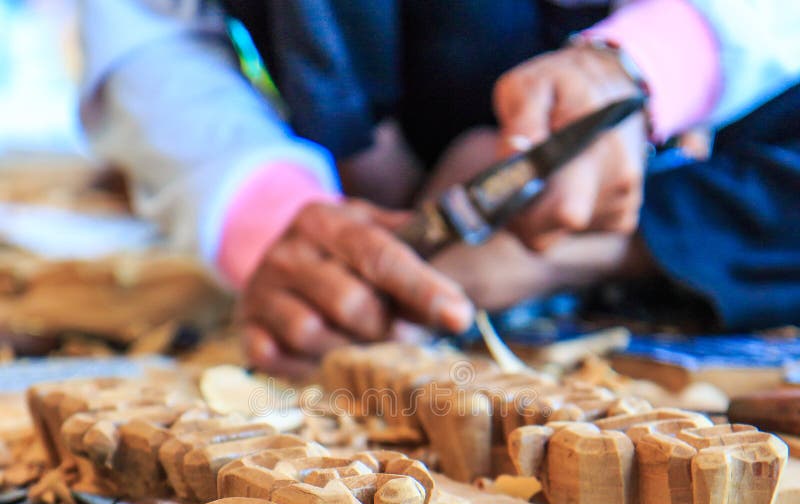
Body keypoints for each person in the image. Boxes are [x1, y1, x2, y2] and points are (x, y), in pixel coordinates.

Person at [79, 0, 800, 374]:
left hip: (729, 156)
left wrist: (650, 63)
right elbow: (149, 35)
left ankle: (593, 246)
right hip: (363, 196)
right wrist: (272, 214)